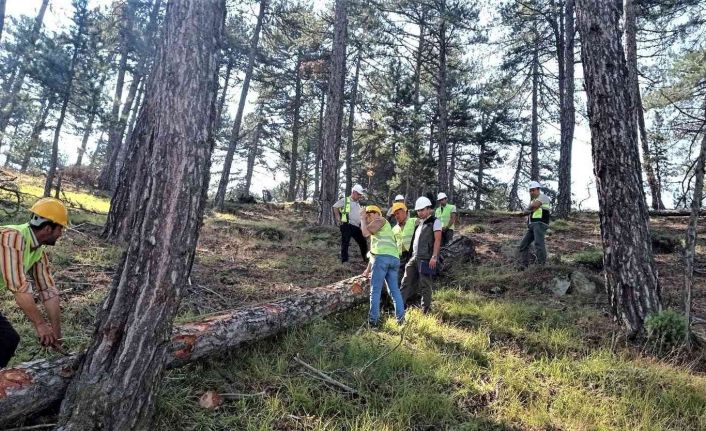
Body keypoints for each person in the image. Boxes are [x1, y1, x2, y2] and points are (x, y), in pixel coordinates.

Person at [0, 198, 69, 368]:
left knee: (7, 340)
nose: (61, 234)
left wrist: (56, 334)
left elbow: (48, 291)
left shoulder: (38, 251)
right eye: (60, 228)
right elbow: (18, 286)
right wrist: (40, 324)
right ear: (48, 228)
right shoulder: (12, 237)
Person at [360, 205, 405, 327]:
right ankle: (401, 321)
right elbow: (374, 253)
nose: (368, 218)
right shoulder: (382, 230)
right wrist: (367, 270)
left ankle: (373, 323)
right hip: (393, 259)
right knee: (394, 291)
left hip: (383, 259)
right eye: (367, 216)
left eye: (369, 215)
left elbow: (364, 233)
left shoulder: (380, 220)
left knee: (375, 291)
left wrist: (362, 218)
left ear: (377, 213)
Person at [399, 196, 442, 314]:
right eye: (418, 210)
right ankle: (399, 307)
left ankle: (425, 311)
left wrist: (434, 257)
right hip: (414, 257)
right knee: (405, 281)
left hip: (427, 258)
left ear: (429, 209)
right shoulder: (419, 224)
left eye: (422, 210)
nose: (420, 212)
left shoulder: (435, 222)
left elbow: (438, 240)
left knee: (425, 284)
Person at [518, 181, 551, 267]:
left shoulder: (543, 197)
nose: (531, 192)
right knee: (523, 245)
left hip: (540, 223)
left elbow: (534, 206)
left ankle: (541, 266)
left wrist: (528, 209)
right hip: (532, 226)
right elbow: (528, 210)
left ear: (538, 189)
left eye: (533, 190)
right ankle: (524, 266)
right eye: (530, 190)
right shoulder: (533, 200)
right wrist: (528, 210)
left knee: (539, 244)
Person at [332, 184, 368, 264]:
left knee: (363, 242)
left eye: (360, 194)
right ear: (354, 192)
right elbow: (335, 207)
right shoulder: (345, 200)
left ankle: (366, 259)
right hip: (346, 224)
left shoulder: (357, 203)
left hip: (356, 226)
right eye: (358, 194)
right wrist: (338, 219)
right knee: (345, 242)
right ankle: (344, 261)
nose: (359, 196)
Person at [391, 202, 417, 279]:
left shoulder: (414, 221)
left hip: (413, 254)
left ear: (404, 212)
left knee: (413, 275)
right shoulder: (394, 229)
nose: (396, 216)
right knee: (400, 276)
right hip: (401, 256)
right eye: (395, 214)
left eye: (398, 213)